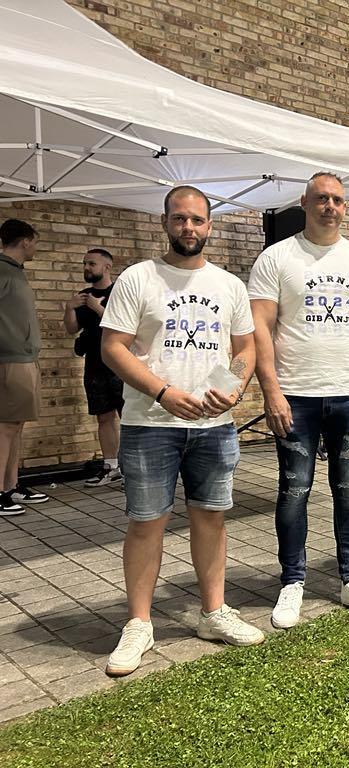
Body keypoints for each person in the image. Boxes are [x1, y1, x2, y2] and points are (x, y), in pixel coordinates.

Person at [100, 186, 264, 677]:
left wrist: (234, 389)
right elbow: (113, 347)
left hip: (214, 425)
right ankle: (139, 623)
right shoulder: (138, 278)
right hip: (150, 424)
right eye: (179, 219)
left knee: (211, 518)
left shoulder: (229, 285)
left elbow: (245, 348)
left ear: (209, 225)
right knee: (146, 522)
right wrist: (163, 392)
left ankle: (213, 613)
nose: (188, 227)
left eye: (196, 219)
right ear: (165, 222)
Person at [249, 172, 349, 628]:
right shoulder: (277, 258)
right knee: (294, 491)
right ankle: (293, 581)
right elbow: (259, 328)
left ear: (345, 206)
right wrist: (271, 391)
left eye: (337, 200)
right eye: (321, 199)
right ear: (304, 203)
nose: (330, 206)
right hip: (296, 397)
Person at [63, 247, 124, 486]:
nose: (87, 268)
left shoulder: (119, 292)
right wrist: (70, 307)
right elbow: (71, 329)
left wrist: (98, 308)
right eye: (85, 263)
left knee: (128, 416)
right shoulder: (83, 295)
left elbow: (125, 325)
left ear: (107, 267)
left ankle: (133, 468)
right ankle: (111, 467)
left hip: (121, 364)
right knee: (104, 416)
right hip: (95, 364)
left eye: (92, 264)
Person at [0, 219, 48, 516]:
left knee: (14, 427)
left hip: (24, 358)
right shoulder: (3, 271)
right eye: (35, 242)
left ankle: (10, 486)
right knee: (5, 427)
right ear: (26, 241)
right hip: (9, 359)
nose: (35, 247)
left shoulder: (15, 272)